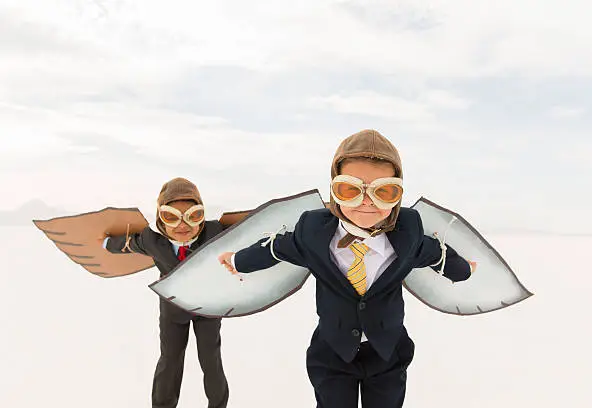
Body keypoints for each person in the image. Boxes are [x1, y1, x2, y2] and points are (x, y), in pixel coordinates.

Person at [218, 129, 476, 408]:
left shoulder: (408, 231)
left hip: (388, 352)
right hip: (332, 352)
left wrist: (464, 270)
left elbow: (436, 254)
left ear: (397, 195)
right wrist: (237, 260)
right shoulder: (312, 232)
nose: (366, 202)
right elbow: (276, 248)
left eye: (383, 192)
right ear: (334, 190)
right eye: (350, 189)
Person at [104, 177, 229, 408]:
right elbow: (128, 244)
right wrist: (104, 244)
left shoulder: (215, 232)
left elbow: (251, 231)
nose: (183, 225)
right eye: (171, 216)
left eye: (193, 215)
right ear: (160, 219)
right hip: (173, 309)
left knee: (211, 359)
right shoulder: (152, 239)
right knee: (170, 361)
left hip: (208, 306)